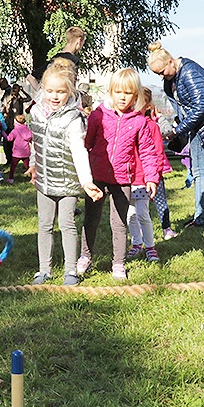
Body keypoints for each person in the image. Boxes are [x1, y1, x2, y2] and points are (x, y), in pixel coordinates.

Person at [21, 58, 101, 285]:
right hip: (45, 180)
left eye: (61, 92)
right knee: (44, 225)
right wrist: (34, 165)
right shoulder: (36, 113)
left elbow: (79, 151)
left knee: (67, 225)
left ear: (70, 92)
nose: (54, 96)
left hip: (67, 182)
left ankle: (70, 270)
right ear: (42, 90)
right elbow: (37, 142)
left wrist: (86, 182)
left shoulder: (73, 119)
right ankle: (44, 269)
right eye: (50, 91)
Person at [78, 68, 159, 281]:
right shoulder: (98, 115)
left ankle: (118, 264)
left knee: (119, 222)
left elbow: (148, 151)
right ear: (111, 92)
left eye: (128, 93)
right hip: (97, 177)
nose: (123, 97)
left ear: (136, 95)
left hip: (123, 179)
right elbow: (88, 143)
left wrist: (151, 177)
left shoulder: (139, 121)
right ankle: (85, 256)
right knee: (91, 219)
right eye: (118, 92)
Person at [148, 42, 204, 229]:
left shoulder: (190, 73)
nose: (161, 76)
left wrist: (177, 130)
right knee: (200, 171)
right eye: (157, 74)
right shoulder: (173, 76)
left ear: (170, 61)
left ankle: (200, 219)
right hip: (197, 127)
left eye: (162, 72)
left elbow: (201, 108)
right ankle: (200, 216)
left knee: (200, 173)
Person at [127, 88, 169, 263]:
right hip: (127, 178)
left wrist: (155, 177)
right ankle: (136, 243)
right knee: (130, 214)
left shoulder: (151, 126)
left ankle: (150, 246)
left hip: (143, 178)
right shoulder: (125, 124)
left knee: (142, 214)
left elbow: (158, 152)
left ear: (147, 105)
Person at [1, 82, 30, 166]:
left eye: (16, 90)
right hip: (9, 122)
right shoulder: (8, 98)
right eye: (13, 89)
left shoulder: (20, 98)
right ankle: (8, 159)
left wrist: (23, 91)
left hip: (18, 123)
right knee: (7, 142)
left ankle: (18, 158)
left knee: (17, 142)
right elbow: (5, 108)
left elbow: (28, 98)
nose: (14, 91)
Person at [4, 114, 32, 183]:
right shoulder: (27, 130)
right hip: (26, 152)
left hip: (17, 153)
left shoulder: (15, 131)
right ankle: (33, 178)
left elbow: (9, 139)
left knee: (13, 167)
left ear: (16, 122)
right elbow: (30, 139)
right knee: (28, 166)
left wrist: (3, 133)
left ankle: (11, 179)